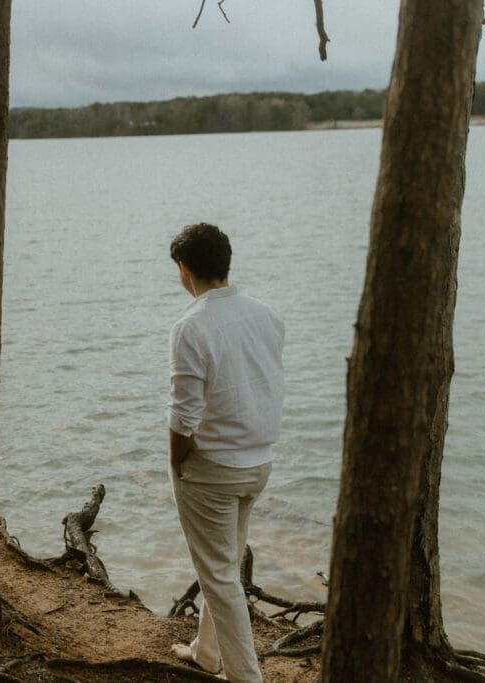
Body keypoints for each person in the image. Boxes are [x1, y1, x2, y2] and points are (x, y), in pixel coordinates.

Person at [166, 223, 285, 683]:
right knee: (227, 564)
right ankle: (206, 653)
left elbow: (183, 417)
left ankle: (246, 677)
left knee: (219, 577)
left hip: (213, 468)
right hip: (258, 462)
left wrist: (177, 462)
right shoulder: (266, 314)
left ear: (184, 269)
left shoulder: (190, 326)